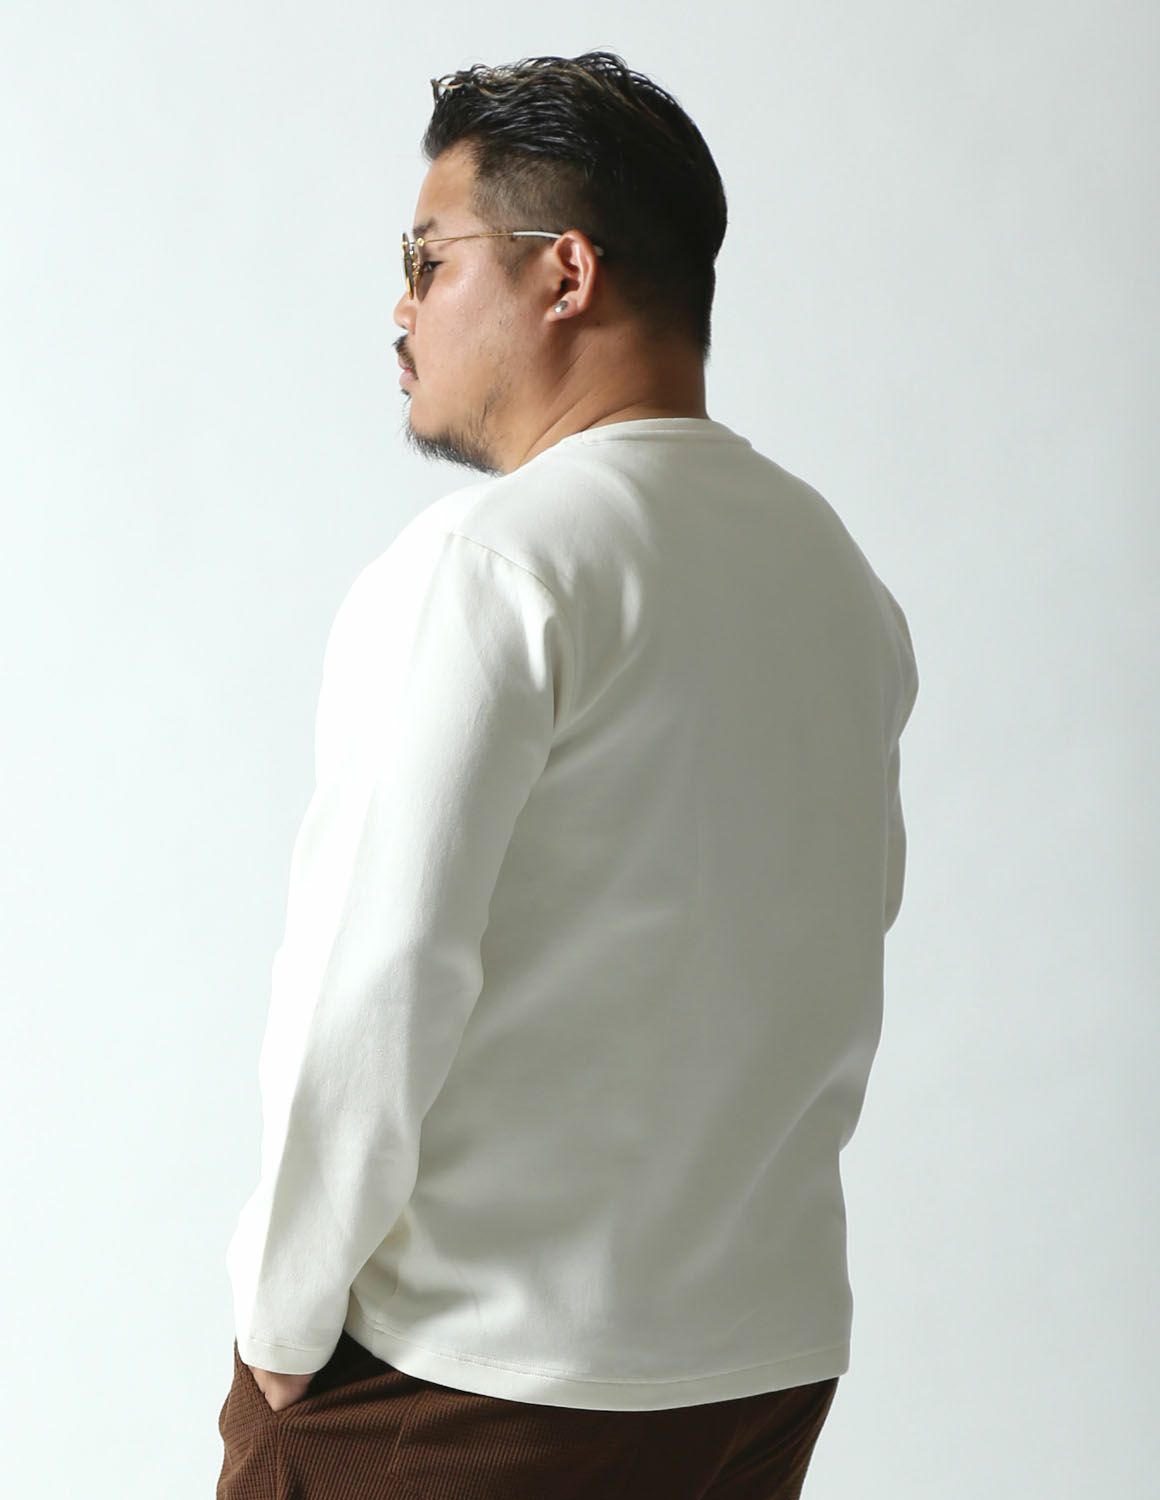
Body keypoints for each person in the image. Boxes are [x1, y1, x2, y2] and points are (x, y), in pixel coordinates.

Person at [217, 49, 919, 1500]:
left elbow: (374, 975)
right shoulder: (831, 573)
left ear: (566, 271)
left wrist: (280, 1325)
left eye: (428, 258)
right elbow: (823, 955)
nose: (402, 307)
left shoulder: (494, 565)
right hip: (753, 1368)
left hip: (472, 1385)